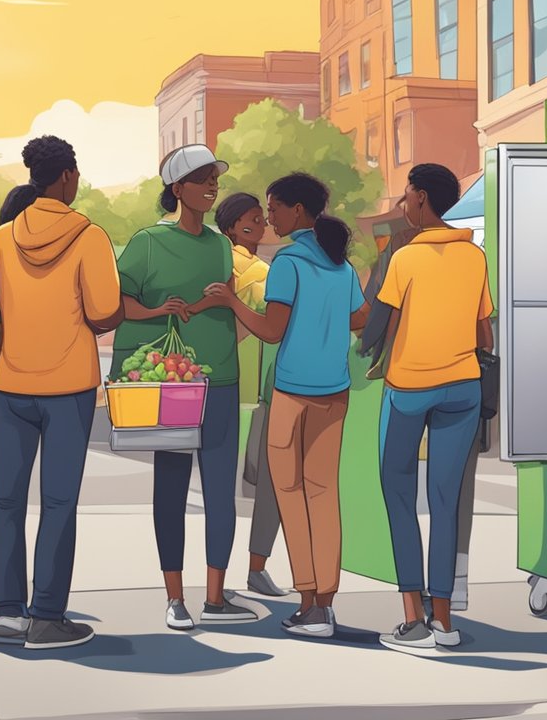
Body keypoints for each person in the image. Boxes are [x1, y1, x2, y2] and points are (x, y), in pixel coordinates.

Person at [0, 136, 123, 650]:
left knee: (7, 502)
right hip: (69, 389)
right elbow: (102, 313)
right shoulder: (90, 237)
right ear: (68, 177)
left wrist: (12, 328)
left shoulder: (1, 239)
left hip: (12, 388)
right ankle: (48, 617)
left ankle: (6, 613)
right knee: (58, 504)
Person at [205, 172, 368, 639]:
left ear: (298, 211)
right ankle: (328, 602)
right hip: (333, 393)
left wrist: (233, 302)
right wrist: (327, 322)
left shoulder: (289, 262)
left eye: (274, 208)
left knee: (291, 497)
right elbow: (360, 318)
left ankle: (308, 603)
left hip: (293, 393)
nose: (270, 216)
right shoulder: (341, 264)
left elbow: (271, 330)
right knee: (324, 495)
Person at [113, 144, 255, 631]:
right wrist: (159, 311)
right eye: (202, 179)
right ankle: (175, 597)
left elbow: (228, 301)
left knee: (220, 492)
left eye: (215, 177)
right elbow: (118, 306)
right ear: (177, 189)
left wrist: (226, 301)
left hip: (222, 379)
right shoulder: (148, 242)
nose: (213, 186)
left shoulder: (220, 244)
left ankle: (215, 596)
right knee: (170, 489)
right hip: (173, 383)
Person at [373, 164, 493, 651]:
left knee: (399, 495)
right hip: (463, 388)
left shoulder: (404, 257)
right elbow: (484, 330)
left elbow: (383, 323)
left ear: (422, 198)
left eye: (406, 195)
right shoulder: (475, 256)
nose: (403, 204)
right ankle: (444, 622)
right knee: (445, 502)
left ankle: (412, 618)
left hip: (409, 388)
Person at [215, 192, 287, 599]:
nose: (260, 226)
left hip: (228, 382)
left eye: (261, 219)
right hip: (254, 385)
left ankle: (222, 580)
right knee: (269, 482)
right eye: (250, 221)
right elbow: (274, 320)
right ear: (230, 228)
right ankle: (253, 567)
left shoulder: (214, 259)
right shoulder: (259, 270)